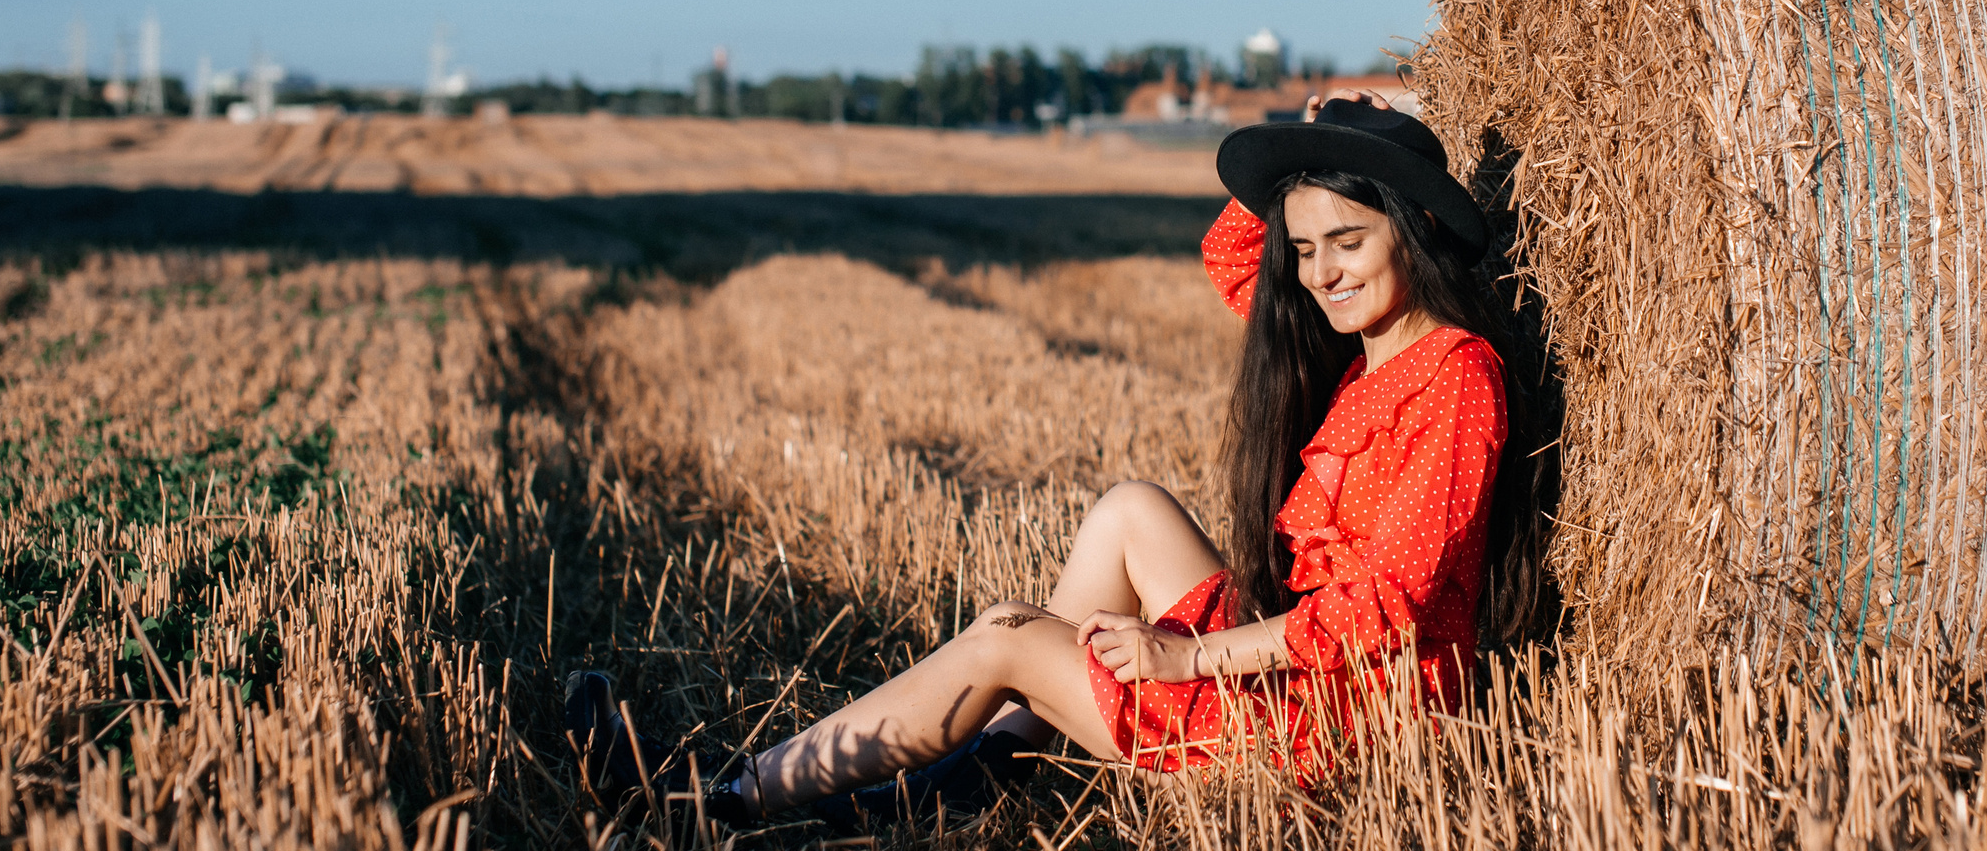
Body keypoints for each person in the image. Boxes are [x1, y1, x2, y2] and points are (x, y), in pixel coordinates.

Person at [565, 92, 1543, 823]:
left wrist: (1186, 654)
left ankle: (718, 799)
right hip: (1302, 662)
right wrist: (1307, 133)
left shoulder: (1454, 376)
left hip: (1342, 726)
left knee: (1005, 640)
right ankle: (981, 763)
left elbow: (1386, 610)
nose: (1321, 271)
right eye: (1308, 246)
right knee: (1128, 510)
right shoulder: (1361, 357)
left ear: (1412, 233)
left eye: (1349, 241)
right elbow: (1237, 259)